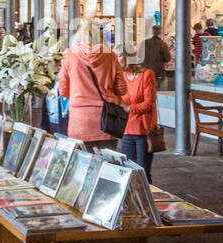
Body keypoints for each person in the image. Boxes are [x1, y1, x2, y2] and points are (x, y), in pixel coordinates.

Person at [58, 21, 128, 152]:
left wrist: (77, 93)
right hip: (107, 120)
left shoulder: (69, 55)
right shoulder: (110, 55)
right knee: (108, 166)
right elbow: (122, 88)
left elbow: (62, 90)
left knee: (84, 166)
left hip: (79, 121)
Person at [121, 60, 159, 180]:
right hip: (126, 129)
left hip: (143, 130)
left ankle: (148, 197)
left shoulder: (146, 74)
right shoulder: (121, 76)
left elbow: (149, 103)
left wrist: (128, 108)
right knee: (129, 173)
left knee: (143, 172)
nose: (116, 61)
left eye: (119, 56)